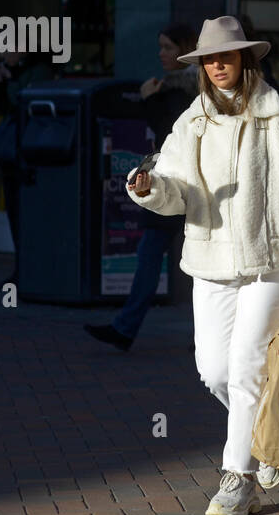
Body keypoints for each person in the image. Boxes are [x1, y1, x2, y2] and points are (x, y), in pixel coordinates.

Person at [127, 16, 279, 515]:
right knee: (214, 371)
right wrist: (149, 188)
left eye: (227, 55)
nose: (218, 65)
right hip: (211, 260)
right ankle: (272, 434)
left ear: (246, 58)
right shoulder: (192, 122)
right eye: (209, 58)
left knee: (245, 368)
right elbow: (173, 188)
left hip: (273, 260)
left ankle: (237, 476)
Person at [85, 24, 199, 352]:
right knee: (159, 256)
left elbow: (167, 131)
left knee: (157, 256)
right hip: (176, 183)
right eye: (160, 46)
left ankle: (127, 328)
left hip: (179, 185)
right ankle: (127, 327)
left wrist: (149, 99)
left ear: (185, 49)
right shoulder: (178, 87)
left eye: (167, 47)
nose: (161, 53)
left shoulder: (182, 91)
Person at [0, 45, 54, 284]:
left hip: (32, 150)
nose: (5, 55)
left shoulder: (39, 72)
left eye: (10, 49)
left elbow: (26, 102)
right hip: (12, 153)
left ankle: (32, 267)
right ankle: (21, 266)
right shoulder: (12, 70)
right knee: (14, 212)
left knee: (30, 214)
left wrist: (10, 81)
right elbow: (3, 108)